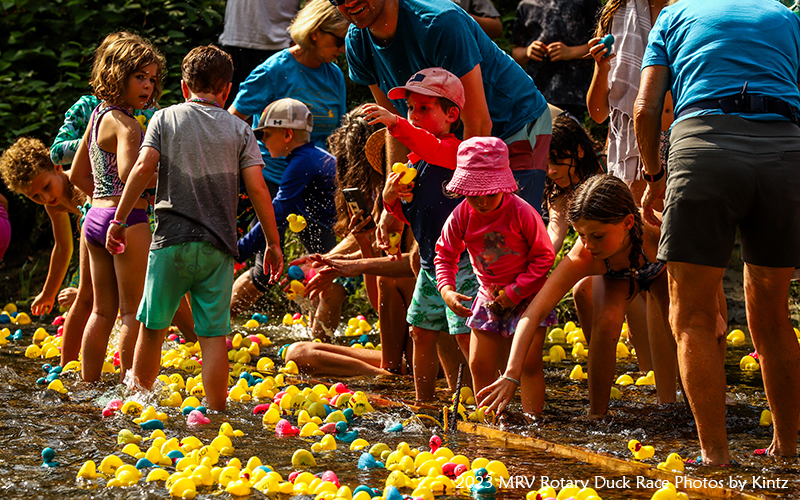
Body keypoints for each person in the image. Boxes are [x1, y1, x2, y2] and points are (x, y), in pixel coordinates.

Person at [634, 0, 800, 464]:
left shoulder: (674, 15)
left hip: (703, 148)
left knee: (691, 318)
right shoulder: (786, 17)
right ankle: (787, 449)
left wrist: (652, 176)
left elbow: (646, 108)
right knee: (772, 315)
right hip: (785, 154)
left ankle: (716, 455)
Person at [107, 45, 283, 411]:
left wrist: (120, 220)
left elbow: (141, 171)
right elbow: (258, 188)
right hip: (218, 247)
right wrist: (272, 242)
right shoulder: (240, 130)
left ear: (185, 88)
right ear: (228, 90)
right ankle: (217, 411)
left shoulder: (165, 119)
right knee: (213, 335)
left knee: (153, 329)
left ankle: (137, 404)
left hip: (170, 241)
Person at [478, 175, 678, 416]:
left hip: (662, 271)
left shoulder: (661, 232)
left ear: (627, 222)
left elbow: (704, 287)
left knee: (679, 327)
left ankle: (685, 408)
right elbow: (533, 313)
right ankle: (597, 415)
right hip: (616, 276)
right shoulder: (585, 255)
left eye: (597, 235)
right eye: (581, 235)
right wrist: (511, 374)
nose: (589, 244)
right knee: (606, 324)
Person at [338, 0, 552, 212]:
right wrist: (395, 203)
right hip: (453, 140)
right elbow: (397, 127)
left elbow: (478, 124)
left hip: (513, 124)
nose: (350, 2)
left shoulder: (439, 22)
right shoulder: (357, 43)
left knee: (507, 228)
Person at [364, 67, 475, 402]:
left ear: (451, 114)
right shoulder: (415, 162)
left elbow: (430, 147)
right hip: (431, 264)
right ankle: (424, 404)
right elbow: (414, 215)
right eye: (409, 109)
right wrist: (391, 201)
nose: (413, 115)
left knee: (467, 337)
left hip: (464, 263)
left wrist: (395, 124)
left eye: (423, 109)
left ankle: (481, 403)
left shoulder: (457, 153)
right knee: (421, 331)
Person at [64, 33, 164, 383]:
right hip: (127, 221)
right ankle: (128, 389)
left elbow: (77, 174)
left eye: (152, 79)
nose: (148, 86)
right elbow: (129, 172)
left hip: (94, 218)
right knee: (130, 313)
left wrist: (103, 202)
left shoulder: (97, 115)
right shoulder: (129, 125)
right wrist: (165, 179)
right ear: (116, 75)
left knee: (101, 310)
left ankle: (87, 383)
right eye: (140, 77)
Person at [435, 137, 555, 413]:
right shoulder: (461, 215)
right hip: (489, 296)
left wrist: (514, 293)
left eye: (490, 193)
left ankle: (532, 422)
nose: (482, 202)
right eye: (474, 194)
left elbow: (544, 257)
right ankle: (492, 422)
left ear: (503, 186)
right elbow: (444, 255)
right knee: (479, 363)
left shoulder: (522, 213)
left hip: (527, 297)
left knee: (528, 363)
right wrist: (446, 290)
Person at [230, 98, 337, 341]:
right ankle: (320, 345)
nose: (262, 141)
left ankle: (323, 353)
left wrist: (238, 251)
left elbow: (276, 210)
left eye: (266, 134)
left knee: (327, 300)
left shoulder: (302, 163)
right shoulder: (311, 157)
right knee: (319, 299)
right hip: (329, 243)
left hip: (339, 246)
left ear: (287, 134)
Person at [229, 0, 348, 198]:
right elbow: (230, 121)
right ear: (315, 32)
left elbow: (338, 135)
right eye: (339, 41)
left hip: (317, 182)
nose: (343, 49)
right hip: (272, 182)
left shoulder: (334, 75)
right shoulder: (274, 71)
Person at [0, 137, 89, 367]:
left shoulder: (81, 186)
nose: (46, 198)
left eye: (46, 187)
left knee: (84, 301)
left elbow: (100, 241)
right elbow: (63, 246)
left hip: (133, 233)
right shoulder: (54, 205)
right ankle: (69, 367)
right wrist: (49, 293)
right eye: (35, 197)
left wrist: (82, 291)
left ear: (57, 166)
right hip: (100, 247)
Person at [585, 0, 670, 205]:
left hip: (682, 136)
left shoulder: (691, 9)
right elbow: (598, 113)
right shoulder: (616, 13)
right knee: (641, 228)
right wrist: (602, 67)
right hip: (634, 144)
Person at [511, 0, 601, 119]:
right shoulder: (526, 4)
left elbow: (603, 44)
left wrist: (571, 52)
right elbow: (516, 53)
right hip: (535, 94)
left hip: (574, 95)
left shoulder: (585, 2)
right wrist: (528, 51)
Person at [218, 0, 302, 108]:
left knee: (276, 117)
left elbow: (314, 3)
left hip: (278, 45)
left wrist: (299, 37)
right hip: (234, 39)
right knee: (227, 115)